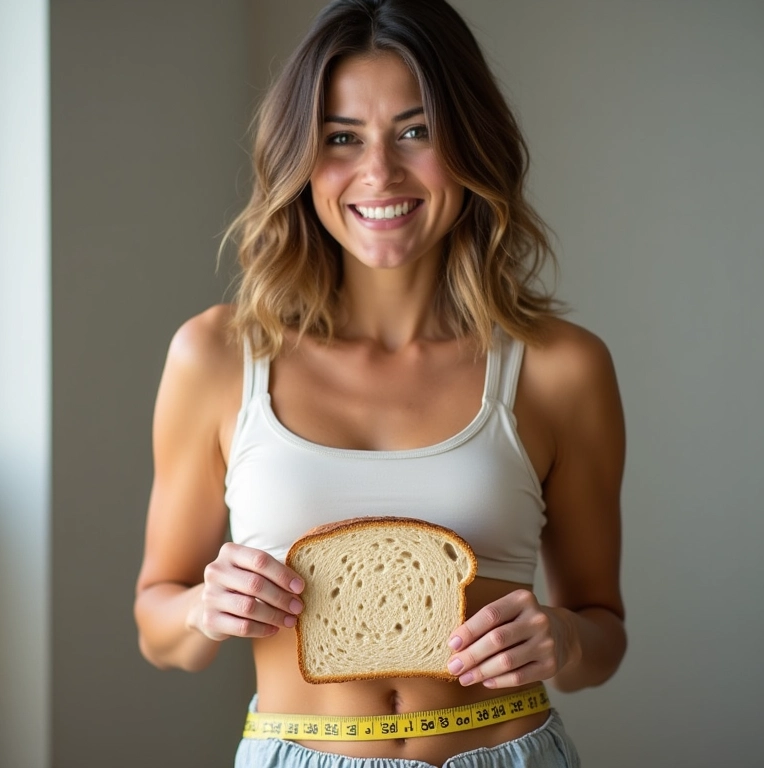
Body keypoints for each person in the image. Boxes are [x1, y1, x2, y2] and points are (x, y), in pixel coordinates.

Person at [134, 0, 626, 766]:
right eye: (340, 137)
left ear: (471, 140)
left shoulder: (562, 366)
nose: (379, 172)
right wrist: (204, 607)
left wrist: (562, 636)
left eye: (415, 130)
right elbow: (159, 629)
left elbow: (603, 635)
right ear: (299, 155)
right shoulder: (216, 356)